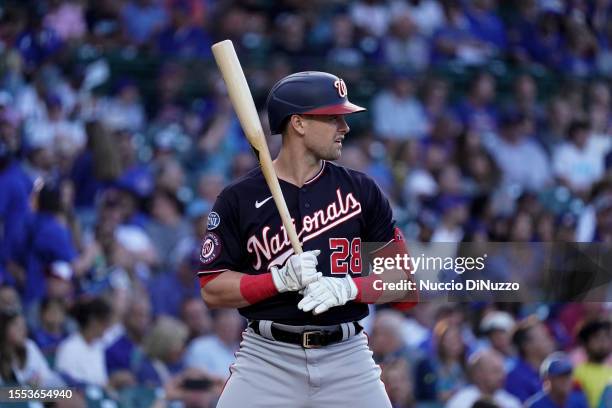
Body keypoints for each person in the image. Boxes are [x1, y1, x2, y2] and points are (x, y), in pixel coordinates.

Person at [197, 71, 416, 407]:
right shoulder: (238, 198)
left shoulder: (362, 190)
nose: (345, 128)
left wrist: (349, 287)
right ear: (298, 124)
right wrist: (277, 281)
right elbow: (212, 288)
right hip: (267, 358)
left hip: (347, 357)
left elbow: (405, 287)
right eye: (333, 118)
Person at [446, 349, 521, 408]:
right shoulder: (461, 402)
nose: (501, 376)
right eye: (495, 371)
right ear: (478, 374)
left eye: (502, 371)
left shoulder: (511, 401)